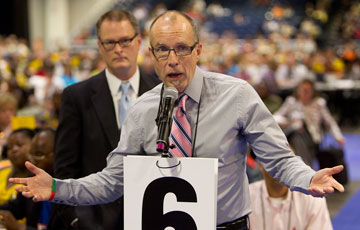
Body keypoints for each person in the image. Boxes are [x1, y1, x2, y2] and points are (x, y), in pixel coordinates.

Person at [10, 11, 344, 230]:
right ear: (151, 55)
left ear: (198, 50)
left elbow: (279, 159)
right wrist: (57, 188)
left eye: (182, 48)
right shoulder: (143, 110)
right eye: (163, 50)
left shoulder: (238, 95)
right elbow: (113, 180)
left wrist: (308, 178)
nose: (173, 60)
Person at [51, 9, 161, 230]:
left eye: (125, 41)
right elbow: (64, 168)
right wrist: (75, 219)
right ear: (100, 47)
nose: (118, 49)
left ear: (138, 41)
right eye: (110, 43)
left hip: (151, 216)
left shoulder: (162, 92)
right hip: (92, 220)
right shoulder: (76, 97)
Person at [273, 79, 345, 167]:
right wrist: (288, 122)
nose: (305, 93)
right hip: (293, 134)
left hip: (313, 137)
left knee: (299, 139)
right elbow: (276, 117)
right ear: (298, 90)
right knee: (297, 135)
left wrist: (338, 137)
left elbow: (330, 122)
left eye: (308, 90)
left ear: (312, 91)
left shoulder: (319, 103)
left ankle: (305, 168)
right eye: (303, 90)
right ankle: (306, 168)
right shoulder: (291, 102)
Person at [249, 161, 332, 230]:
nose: (279, 168)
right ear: (260, 164)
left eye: (284, 163)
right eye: (272, 162)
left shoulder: (312, 197)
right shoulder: (247, 196)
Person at [0, 128, 55, 230]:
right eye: (31, 154)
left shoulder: (67, 186)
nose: (32, 159)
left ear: (55, 155)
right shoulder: (33, 179)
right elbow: (15, 207)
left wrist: (19, 228)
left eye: (38, 155)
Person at [0, 129, 34, 206]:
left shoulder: (36, 180)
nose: (14, 150)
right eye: (9, 147)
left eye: (20, 145)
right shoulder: (2, 172)